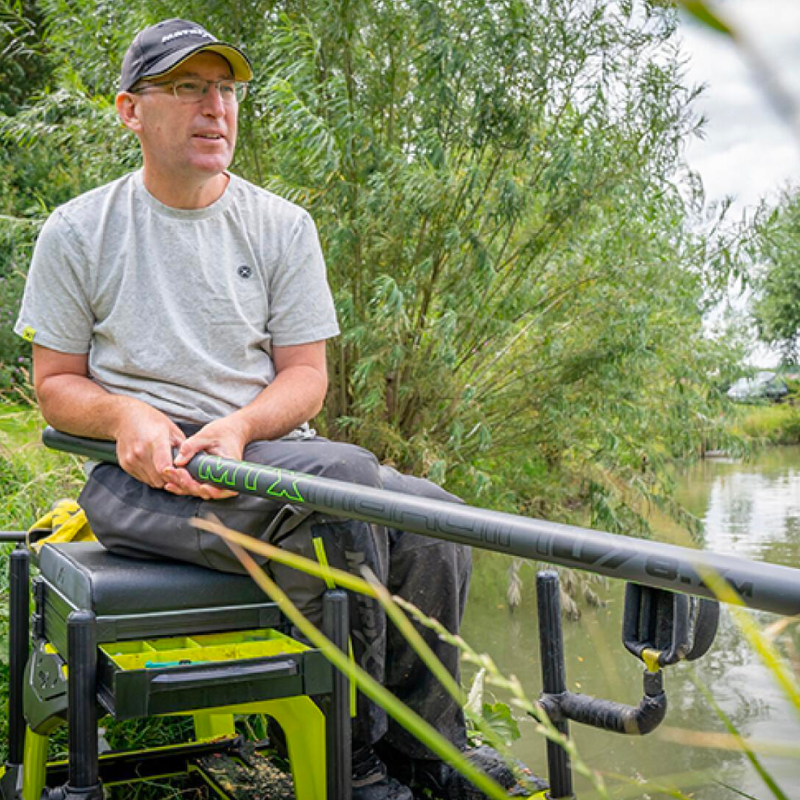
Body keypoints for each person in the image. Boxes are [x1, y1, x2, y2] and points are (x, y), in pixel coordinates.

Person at [15, 19, 543, 800]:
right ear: (131, 110)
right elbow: (55, 383)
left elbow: (305, 375)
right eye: (188, 87)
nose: (215, 107)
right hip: (143, 481)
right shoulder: (78, 230)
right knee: (342, 485)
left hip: (264, 455)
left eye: (225, 89)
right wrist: (126, 418)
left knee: (435, 517)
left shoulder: (282, 225)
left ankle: (430, 751)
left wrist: (241, 427)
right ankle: (350, 766)